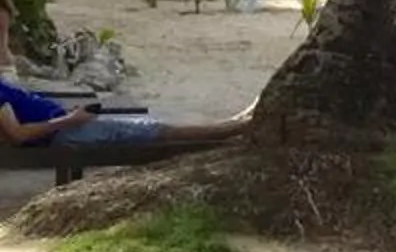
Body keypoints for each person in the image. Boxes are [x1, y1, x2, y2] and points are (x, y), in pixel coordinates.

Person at [0, 20, 247, 154]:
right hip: (65, 133)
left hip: (66, 125)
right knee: (155, 131)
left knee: (150, 126)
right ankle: (239, 126)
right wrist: (71, 120)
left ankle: (235, 124)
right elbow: (17, 135)